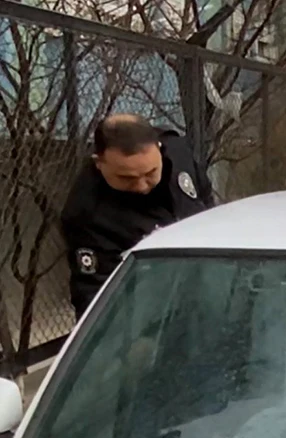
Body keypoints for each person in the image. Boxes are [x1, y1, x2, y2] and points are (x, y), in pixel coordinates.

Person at [60, 114, 213, 319]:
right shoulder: (86, 215)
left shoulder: (177, 151)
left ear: (159, 148)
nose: (142, 186)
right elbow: (95, 296)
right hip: (153, 311)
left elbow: (206, 201)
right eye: (127, 178)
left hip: (211, 281)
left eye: (150, 173)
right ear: (99, 162)